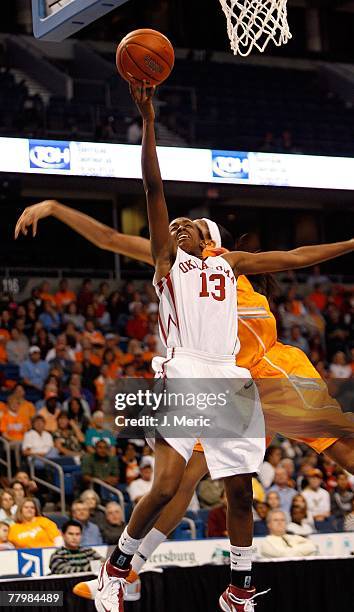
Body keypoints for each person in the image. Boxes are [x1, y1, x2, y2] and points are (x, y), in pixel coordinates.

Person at [16, 86, 354, 610]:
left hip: (236, 379)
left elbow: (297, 256)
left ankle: (237, 589)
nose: (180, 225)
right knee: (169, 484)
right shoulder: (166, 261)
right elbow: (147, 196)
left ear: (210, 240)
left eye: (191, 225)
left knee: (241, 491)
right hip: (185, 373)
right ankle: (120, 568)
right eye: (177, 224)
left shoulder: (231, 266)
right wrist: (144, 124)